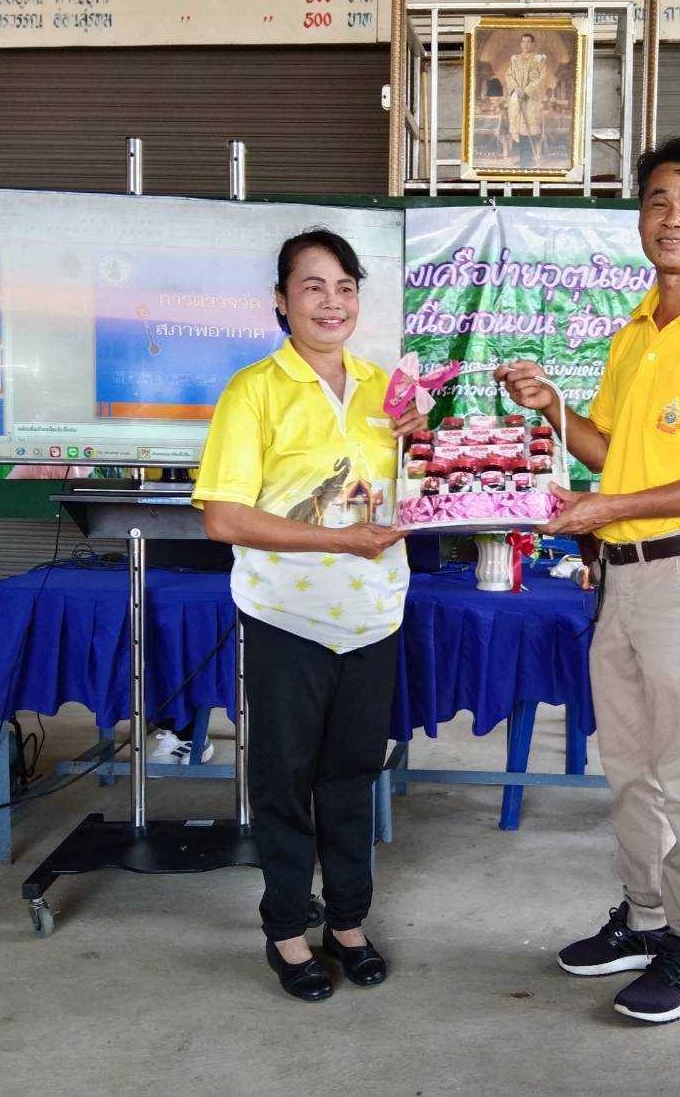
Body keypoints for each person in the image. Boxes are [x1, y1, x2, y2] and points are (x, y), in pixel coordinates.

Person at [496, 138, 680, 1023]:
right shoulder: (634, 333)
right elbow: (611, 452)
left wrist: (606, 505)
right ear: (639, 222)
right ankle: (644, 916)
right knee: (627, 766)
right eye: (658, 201)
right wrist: (554, 408)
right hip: (619, 576)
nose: (673, 219)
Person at [193, 229, 421, 1001]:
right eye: (313, 286)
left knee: (352, 776)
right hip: (287, 617)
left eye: (345, 287)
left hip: (373, 615)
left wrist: (426, 446)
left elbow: (413, 494)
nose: (332, 302)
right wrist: (339, 539)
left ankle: (346, 922)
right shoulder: (253, 390)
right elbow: (223, 517)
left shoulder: (388, 389)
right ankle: (287, 929)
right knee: (284, 778)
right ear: (281, 301)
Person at [504, 32, 548, 168]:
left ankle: (527, 159)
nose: (525, 45)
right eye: (523, 42)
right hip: (517, 98)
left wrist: (527, 91)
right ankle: (523, 158)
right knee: (518, 128)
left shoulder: (539, 60)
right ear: (520, 44)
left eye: (528, 42)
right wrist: (516, 88)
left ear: (533, 44)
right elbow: (508, 75)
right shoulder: (515, 59)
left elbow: (542, 77)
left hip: (531, 100)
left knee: (528, 128)